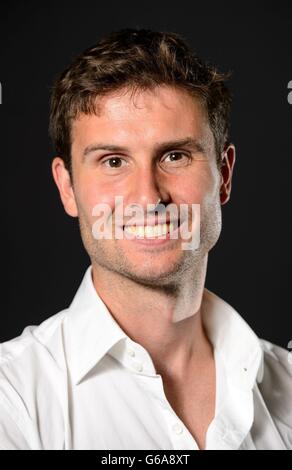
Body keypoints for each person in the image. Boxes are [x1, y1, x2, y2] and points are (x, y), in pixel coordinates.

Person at [0, 28, 291, 451]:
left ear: (224, 175)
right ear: (67, 188)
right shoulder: (13, 399)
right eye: (113, 161)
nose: (148, 198)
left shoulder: (284, 387)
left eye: (175, 156)